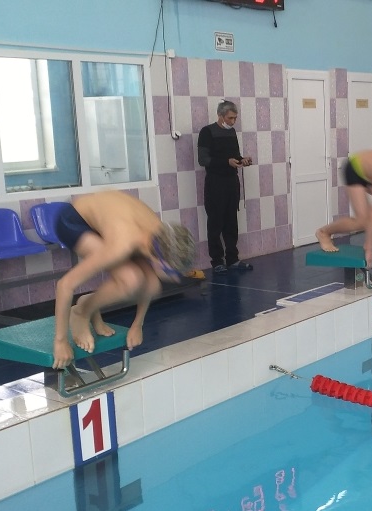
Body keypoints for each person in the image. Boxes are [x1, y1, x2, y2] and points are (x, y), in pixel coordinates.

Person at [52, 190, 195, 369]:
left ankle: (89, 305)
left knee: (152, 285)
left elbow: (150, 283)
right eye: (171, 271)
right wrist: (60, 341)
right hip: (74, 220)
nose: (174, 279)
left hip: (109, 220)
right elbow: (65, 285)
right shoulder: (122, 244)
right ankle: (81, 313)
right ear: (158, 259)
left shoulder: (159, 236)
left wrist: (137, 324)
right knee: (130, 279)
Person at [197, 100, 253, 275]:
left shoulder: (232, 132)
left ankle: (232, 259)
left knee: (231, 222)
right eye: (230, 118)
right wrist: (226, 162)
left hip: (231, 182)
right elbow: (203, 160)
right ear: (220, 116)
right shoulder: (207, 132)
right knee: (215, 222)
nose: (233, 121)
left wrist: (242, 160)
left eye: (235, 118)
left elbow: (234, 156)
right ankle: (217, 261)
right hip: (215, 183)